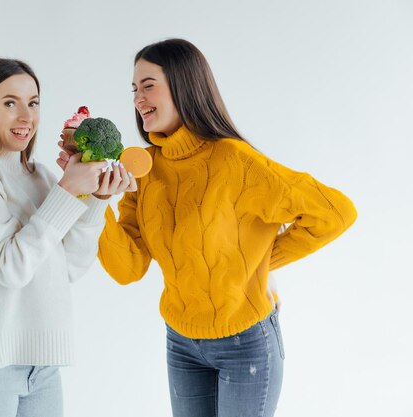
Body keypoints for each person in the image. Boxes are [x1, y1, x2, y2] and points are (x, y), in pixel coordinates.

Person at [60, 39, 357, 417]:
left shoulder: (235, 161)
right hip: (181, 344)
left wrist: (257, 264)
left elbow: (335, 213)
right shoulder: (143, 169)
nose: (138, 98)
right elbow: (127, 269)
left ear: (184, 85)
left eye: (148, 84)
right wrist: (93, 198)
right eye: (134, 88)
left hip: (245, 342)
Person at [0, 58, 113, 417]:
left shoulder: (41, 176)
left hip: (42, 367)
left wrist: (95, 200)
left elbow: (71, 267)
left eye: (33, 103)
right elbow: (9, 267)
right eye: (9, 103)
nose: (26, 117)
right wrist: (65, 192)